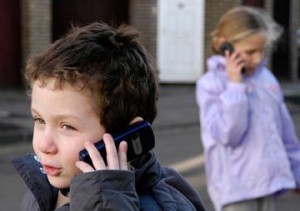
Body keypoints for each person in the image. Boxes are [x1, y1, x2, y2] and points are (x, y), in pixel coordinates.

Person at [12, 22, 206, 211]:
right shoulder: (46, 186)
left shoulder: (161, 204)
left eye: (67, 126)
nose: (44, 145)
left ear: (125, 134)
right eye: (40, 121)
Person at [196, 6, 300, 211]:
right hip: (237, 190)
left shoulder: (266, 79)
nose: (259, 58)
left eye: (262, 50)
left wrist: (297, 172)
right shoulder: (210, 85)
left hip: (269, 184)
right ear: (224, 46)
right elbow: (228, 134)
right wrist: (236, 86)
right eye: (250, 52)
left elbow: (285, 133)